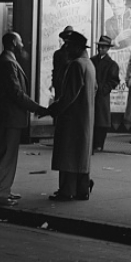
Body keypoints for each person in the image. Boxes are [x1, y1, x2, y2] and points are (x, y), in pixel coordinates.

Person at [0, 32, 47, 206]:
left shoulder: (7, 60)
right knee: (7, 155)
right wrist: (37, 108)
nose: (23, 45)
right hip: (9, 117)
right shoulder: (8, 63)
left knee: (7, 155)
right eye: (21, 42)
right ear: (14, 42)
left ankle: (4, 190)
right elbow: (16, 93)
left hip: (8, 116)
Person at [47, 30, 97, 201]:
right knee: (81, 155)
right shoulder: (89, 64)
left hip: (72, 118)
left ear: (76, 47)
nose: (66, 48)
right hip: (85, 116)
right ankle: (82, 189)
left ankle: (66, 190)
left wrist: (54, 109)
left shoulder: (76, 65)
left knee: (68, 154)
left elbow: (69, 95)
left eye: (68, 45)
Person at [91, 35, 120, 152]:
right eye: (99, 46)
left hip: (102, 95)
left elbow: (114, 80)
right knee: (92, 119)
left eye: (103, 47)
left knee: (102, 121)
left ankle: (99, 144)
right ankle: (92, 143)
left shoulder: (112, 64)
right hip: (92, 94)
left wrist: (104, 89)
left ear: (108, 49)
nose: (101, 49)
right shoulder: (92, 61)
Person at [51, 25, 74, 100]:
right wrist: (54, 85)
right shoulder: (58, 54)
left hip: (72, 87)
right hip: (61, 86)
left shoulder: (76, 54)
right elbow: (55, 71)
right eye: (66, 37)